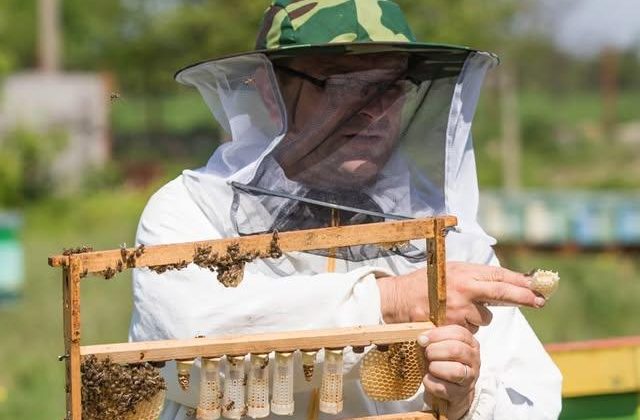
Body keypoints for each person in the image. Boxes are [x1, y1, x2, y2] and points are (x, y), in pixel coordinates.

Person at [129, 1, 562, 419]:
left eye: (390, 88)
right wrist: (387, 301)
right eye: (344, 86)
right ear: (270, 90)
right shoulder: (191, 212)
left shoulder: (446, 234)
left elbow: (532, 399)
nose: (372, 110)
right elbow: (185, 355)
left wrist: (468, 400)